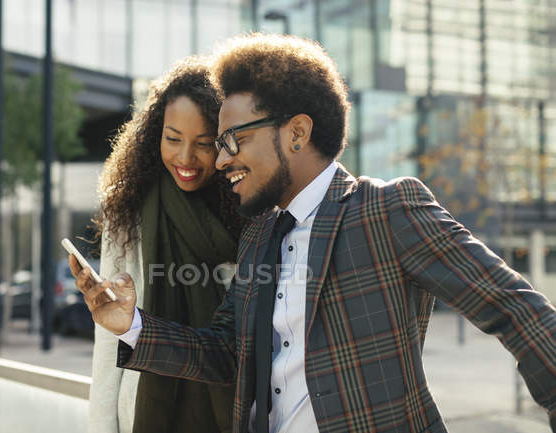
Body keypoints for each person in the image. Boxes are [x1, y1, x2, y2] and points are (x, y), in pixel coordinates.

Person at [74, 34, 556, 433]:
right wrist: (130, 325)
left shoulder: (386, 210)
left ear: (297, 133)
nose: (220, 161)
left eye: (231, 141)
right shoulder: (259, 236)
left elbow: (514, 309)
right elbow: (228, 354)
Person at [76, 56, 244, 433]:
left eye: (203, 144)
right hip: (142, 407)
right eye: (173, 139)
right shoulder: (128, 205)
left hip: (229, 408)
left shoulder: (246, 206)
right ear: (156, 134)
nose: (185, 158)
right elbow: (110, 339)